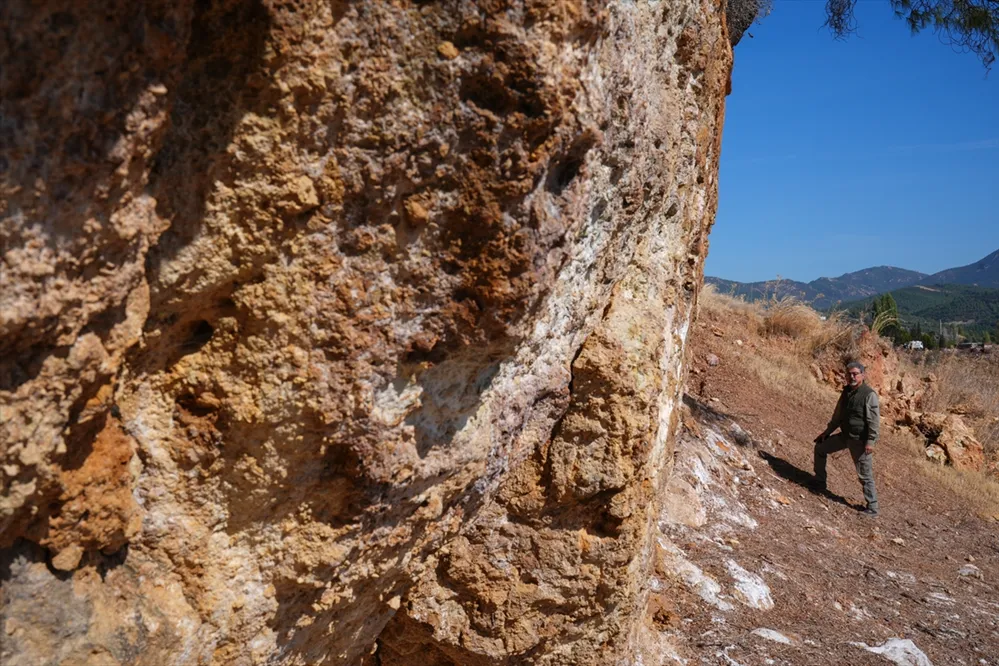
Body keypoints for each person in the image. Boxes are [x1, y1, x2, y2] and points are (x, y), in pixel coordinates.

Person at [812, 361, 880, 516]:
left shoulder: (869, 395)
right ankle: (820, 482)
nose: (852, 376)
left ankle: (873, 507)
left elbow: (874, 422)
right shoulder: (846, 392)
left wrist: (870, 442)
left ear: (863, 375)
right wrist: (827, 432)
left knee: (865, 475)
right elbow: (837, 416)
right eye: (849, 374)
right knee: (820, 448)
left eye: (855, 373)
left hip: (860, 441)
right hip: (845, 436)